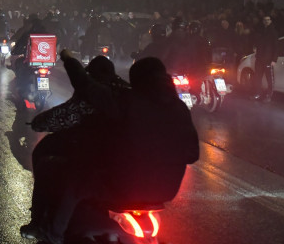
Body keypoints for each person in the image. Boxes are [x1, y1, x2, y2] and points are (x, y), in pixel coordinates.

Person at [22, 50, 199, 244]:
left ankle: (51, 234)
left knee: (74, 184)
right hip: (166, 192)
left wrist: (69, 60)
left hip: (125, 187)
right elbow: (193, 154)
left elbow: (85, 85)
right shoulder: (180, 109)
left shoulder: (126, 102)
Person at [23, 56, 129, 240]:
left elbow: (63, 115)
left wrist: (38, 122)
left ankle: (39, 224)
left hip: (94, 159)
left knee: (47, 166)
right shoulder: (126, 96)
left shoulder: (91, 96)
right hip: (123, 164)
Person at [253, 15, 278, 102]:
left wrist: (274, 59)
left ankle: (268, 96)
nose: (266, 21)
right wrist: (256, 49)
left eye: (268, 19)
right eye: (265, 20)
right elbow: (258, 42)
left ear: (271, 21)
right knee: (257, 77)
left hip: (268, 59)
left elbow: (276, 47)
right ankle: (258, 94)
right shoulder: (261, 31)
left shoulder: (273, 32)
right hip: (260, 59)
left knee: (269, 79)